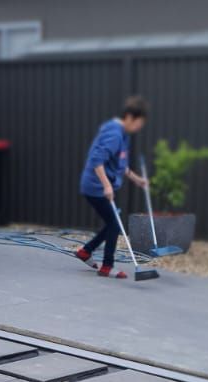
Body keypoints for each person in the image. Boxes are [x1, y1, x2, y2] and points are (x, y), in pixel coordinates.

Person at [76, 96, 151, 279]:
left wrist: (136, 179)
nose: (139, 128)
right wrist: (107, 186)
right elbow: (96, 160)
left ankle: (86, 252)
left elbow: (117, 163)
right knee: (115, 224)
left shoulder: (122, 134)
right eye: (139, 123)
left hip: (98, 186)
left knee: (113, 224)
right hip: (95, 187)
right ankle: (107, 267)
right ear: (129, 117)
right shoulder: (115, 134)